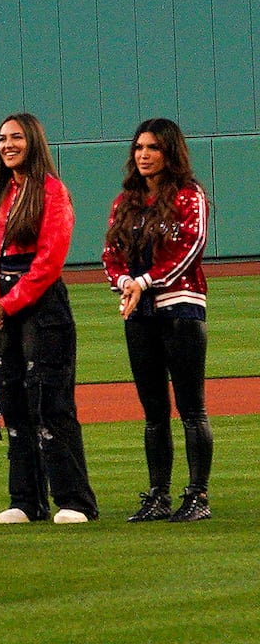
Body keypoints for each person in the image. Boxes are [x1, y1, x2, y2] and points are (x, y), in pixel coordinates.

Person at [0, 113, 98, 525]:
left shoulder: (52, 192)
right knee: (12, 401)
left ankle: (75, 501)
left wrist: (5, 304)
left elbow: (48, 262)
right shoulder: (1, 193)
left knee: (51, 402)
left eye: (16, 138)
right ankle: (26, 500)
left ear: (33, 142)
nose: (7, 145)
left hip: (42, 309)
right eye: (2, 139)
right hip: (7, 309)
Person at [102, 118, 212, 523]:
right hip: (140, 312)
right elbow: (110, 253)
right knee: (152, 411)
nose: (144, 155)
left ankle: (197, 495)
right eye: (139, 148)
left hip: (181, 308)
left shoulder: (189, 195)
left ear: (170, 152)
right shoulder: (125, 200)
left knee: (191, 408)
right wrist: (125, 282)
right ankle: (158, 495)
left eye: (153, 148)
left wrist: (145, 281)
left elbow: (191, 247)